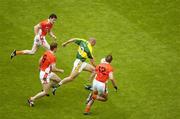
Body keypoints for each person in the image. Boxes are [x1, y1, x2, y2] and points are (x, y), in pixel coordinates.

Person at [27, 42, 64, 107]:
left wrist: (39, 67)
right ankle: (32, 99)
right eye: (57, 48)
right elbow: (53, 68)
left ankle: (47, 86)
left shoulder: (46, 52)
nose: (57, 49)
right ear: (55, 48)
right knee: (45, 92)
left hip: (47, 72)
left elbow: (40, 60)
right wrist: (60, 70)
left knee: (59, 80)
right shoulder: (53, 57)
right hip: (45, 74)